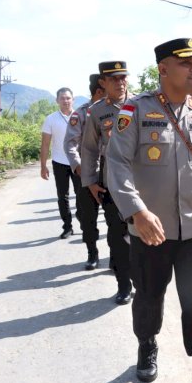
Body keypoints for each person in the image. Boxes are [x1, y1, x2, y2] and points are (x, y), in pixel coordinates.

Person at [106, 37, 192, 383]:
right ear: (163, 68)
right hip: (150, 231)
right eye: (186, 62)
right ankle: (147, 344)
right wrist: (136, 212)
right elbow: (116, 164)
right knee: (148, 297)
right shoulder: (133, 111)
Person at [81, 61, 132, 305]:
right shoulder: (97, 111)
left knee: (142, 236)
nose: (120, 82)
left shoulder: (142, 104)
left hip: (143, 182)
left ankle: (143, 280)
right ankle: (124, 284)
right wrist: (90, 181)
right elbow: (89, 149)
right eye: (114, 79)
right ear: (103, 83)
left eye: (123, 77)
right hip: (111, 182)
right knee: (117, 236)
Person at [64, 74, 105, 269]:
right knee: (87, 217)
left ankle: (117, 259)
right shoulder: (80, 114)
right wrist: (80, 167)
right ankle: (92, 252)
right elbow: (70, 144)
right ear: (99, 91)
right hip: (85, 173)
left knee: (117, 219)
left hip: (109, 172)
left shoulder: (117, 110)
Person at [40, 87, 80, 239]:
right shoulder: (51, 119)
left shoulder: (80, 116)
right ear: (57, 101)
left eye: (68, 98)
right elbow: (45, 144)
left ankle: (83, 221)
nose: (65, 101)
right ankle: (67, 226)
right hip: (59, 162)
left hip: (78, 162)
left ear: (73, 100)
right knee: (62, 196)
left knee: (82, 195)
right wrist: (43, 166)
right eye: (62, 98)